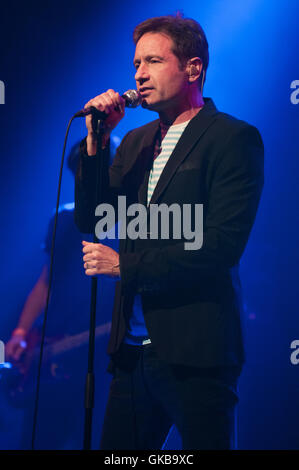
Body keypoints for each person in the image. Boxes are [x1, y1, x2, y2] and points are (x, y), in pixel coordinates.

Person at [74, 14, 264, 450]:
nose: (139, 74)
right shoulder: (137, 142)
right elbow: (95, 219)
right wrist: (98, 144)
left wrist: (126, 264)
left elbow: (220, 246)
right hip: (131, 350)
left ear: (193, 68)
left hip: (197, 352)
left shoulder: (232, 138)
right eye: (136, 63)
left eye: (153, 61)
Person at [5, 139, 119, 449]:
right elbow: (46, 282)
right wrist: (21, 331)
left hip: (105, 353)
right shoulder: (64, 219)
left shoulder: (134, 222)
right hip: (54, 348)